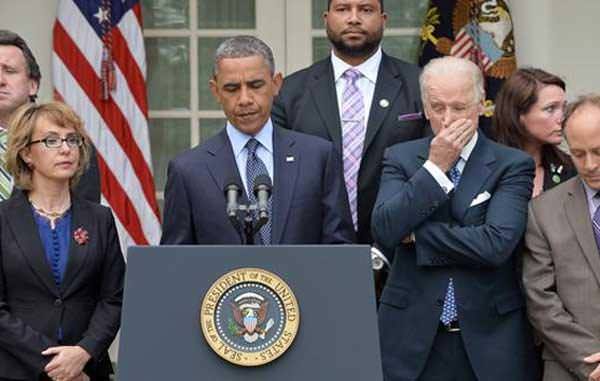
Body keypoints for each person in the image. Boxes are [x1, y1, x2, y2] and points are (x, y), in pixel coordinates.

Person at [372, 56, 538, 381]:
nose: (447, 120)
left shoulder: (511, 164)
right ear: (425, 108)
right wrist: (435, 168)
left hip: (489, 338)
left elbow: (496, 244)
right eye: (438, 107)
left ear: (480, 106)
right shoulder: (401, 157)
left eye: (459, 108)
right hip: (411, 338)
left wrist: (419, 235)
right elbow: (386, 230)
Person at [161, 35, 354, 245]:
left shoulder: (317, 157)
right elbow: (176, 262)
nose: (245, 99)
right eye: (232, 89)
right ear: (215, 91)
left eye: (255, 85)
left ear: (276, 84)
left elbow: (340, 249)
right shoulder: (188, 170)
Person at [272, 0, 426, 245]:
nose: (354, 18)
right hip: (314, 249)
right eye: (343, 9)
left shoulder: (421, 85)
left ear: (383, 19)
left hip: (401, 248)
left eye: (366, 10)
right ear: (326, 18)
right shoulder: (291, 91)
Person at [0, 101, 125, 381]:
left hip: (88, 371)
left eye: (72, 139)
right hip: (18, 370)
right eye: (51, 140)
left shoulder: (100, 218)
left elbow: (114, 298)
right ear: (26, 153)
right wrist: (56, 363)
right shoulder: (3, 219)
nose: (66, 148)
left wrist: (83, 353)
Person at [522, 94, 600, 381]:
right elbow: (540, 299)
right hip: (572, 368)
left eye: (598, 151)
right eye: (578, 154)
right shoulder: (543, 211)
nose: (589, 164)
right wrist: (588, 360)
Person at [0, 29, 100, 203]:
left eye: (9, 70)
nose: (0, 80)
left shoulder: (71, 144)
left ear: (33, 85)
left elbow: (86, 221)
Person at [494, 67, 576, 197]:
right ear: (518, 114)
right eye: (550, 109)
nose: (562, 118)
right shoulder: (488, 170)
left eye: (563, 107)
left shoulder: (571, 168)